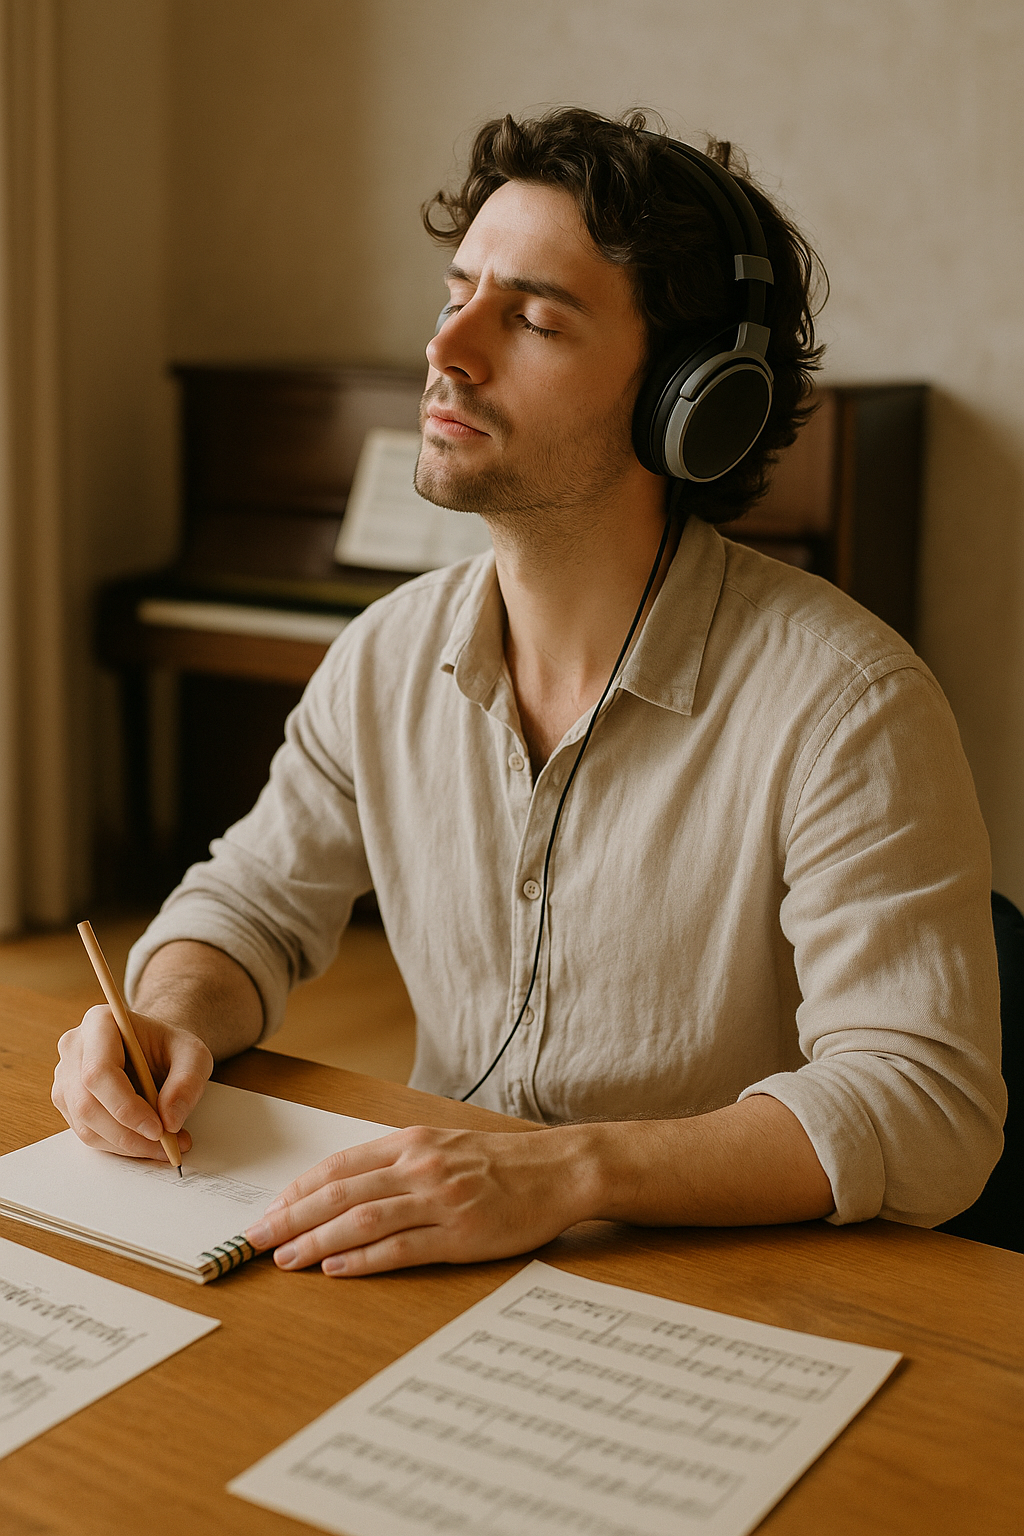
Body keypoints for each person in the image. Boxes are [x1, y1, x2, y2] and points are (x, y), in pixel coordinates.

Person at [53, 108, 1004, 1278]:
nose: (448, 347)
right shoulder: (385, 653)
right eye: (456, 292)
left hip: (722, 1288)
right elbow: (243, 909)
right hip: (438, 1252)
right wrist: (167, 1022)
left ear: (691, 403)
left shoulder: (848, 705)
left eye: (534, 318)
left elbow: (928, 1108)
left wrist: (567, 1175)